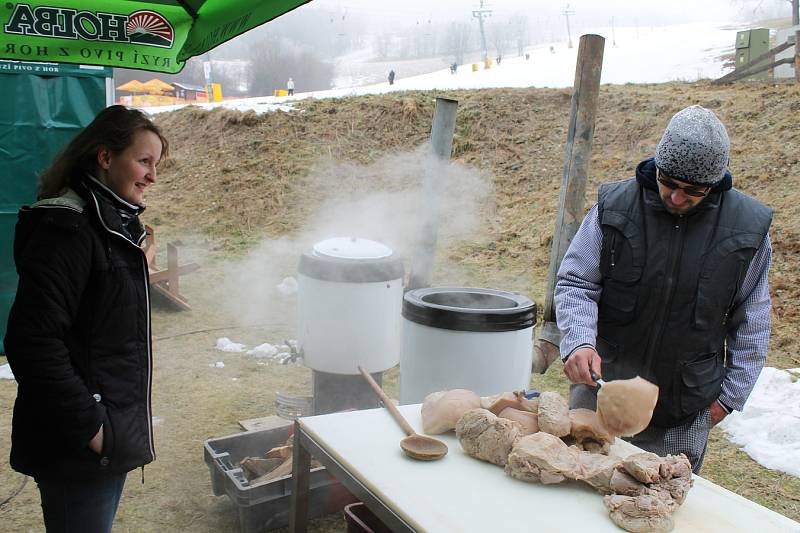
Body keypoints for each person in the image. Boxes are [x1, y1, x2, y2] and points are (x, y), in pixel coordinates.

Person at [554, 105, 772, 474]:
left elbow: (752, 321)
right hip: (599, 396)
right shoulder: (615, 208)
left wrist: (728, 398)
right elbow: (577, 282)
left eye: (692, 191)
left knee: (657, 511)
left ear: (714, 183)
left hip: (682, 417)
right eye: (667, 181)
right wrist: (578, 341)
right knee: (577, 494)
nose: (675, 197)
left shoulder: (746, 232)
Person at [4, 105, 167, 532]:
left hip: (106, 433)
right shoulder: (69, 229)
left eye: (157, 164)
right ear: (105, 157)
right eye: (144, 161)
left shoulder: (109, 224)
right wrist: (91, 427)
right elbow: (32, 342)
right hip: (77, 443)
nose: (153, 175)